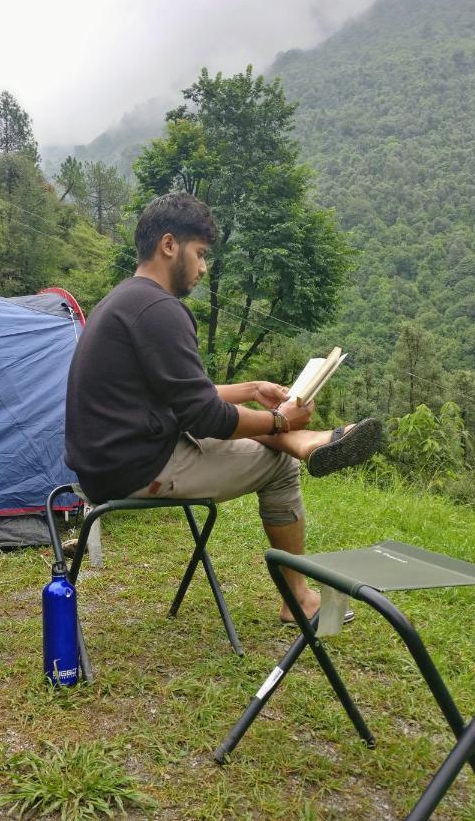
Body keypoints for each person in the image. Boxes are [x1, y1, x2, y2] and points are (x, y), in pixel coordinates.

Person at [65, 193, 381, 623]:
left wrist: (252, 388)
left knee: (259, 435)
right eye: (200, 254)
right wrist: (279, 418)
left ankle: (304, 441)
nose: (203, 267)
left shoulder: (124, 300)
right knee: (279, 466)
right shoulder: (160, 310)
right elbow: (206, 416)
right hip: (136, 468)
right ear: (170, 245)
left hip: (111, 461)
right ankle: (299, 599)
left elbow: (186, 393)